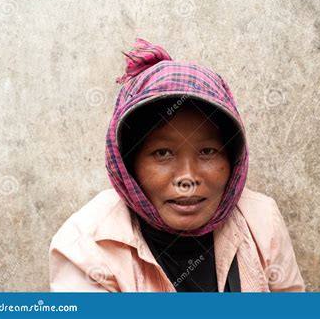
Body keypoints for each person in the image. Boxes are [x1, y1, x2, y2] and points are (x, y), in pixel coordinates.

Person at [49, 38, 305, 292]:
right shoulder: (85, 247)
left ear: (233, 159)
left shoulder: (262, 220)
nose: (187, 177)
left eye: (207, 151)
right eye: (162, 153)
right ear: (128, 164)